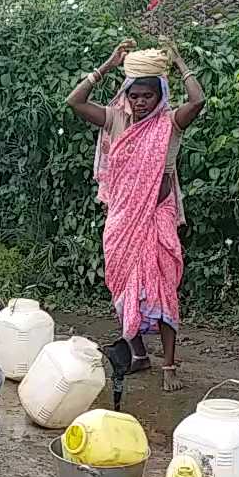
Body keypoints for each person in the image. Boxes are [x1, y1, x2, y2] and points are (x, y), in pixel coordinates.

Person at [67, 38, 205, 392]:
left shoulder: (169, 124)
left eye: (148, 95)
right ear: (126, 95)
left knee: (162, 288)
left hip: (157, 217)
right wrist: (109, 65)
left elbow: (198, 100)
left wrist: (178, 60)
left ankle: (169, 365)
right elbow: (75, 101)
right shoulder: (115, 119)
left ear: (159, 94)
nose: (141, 102)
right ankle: (139, 355)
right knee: (122, 285)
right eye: (135, 95)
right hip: (122, 219)